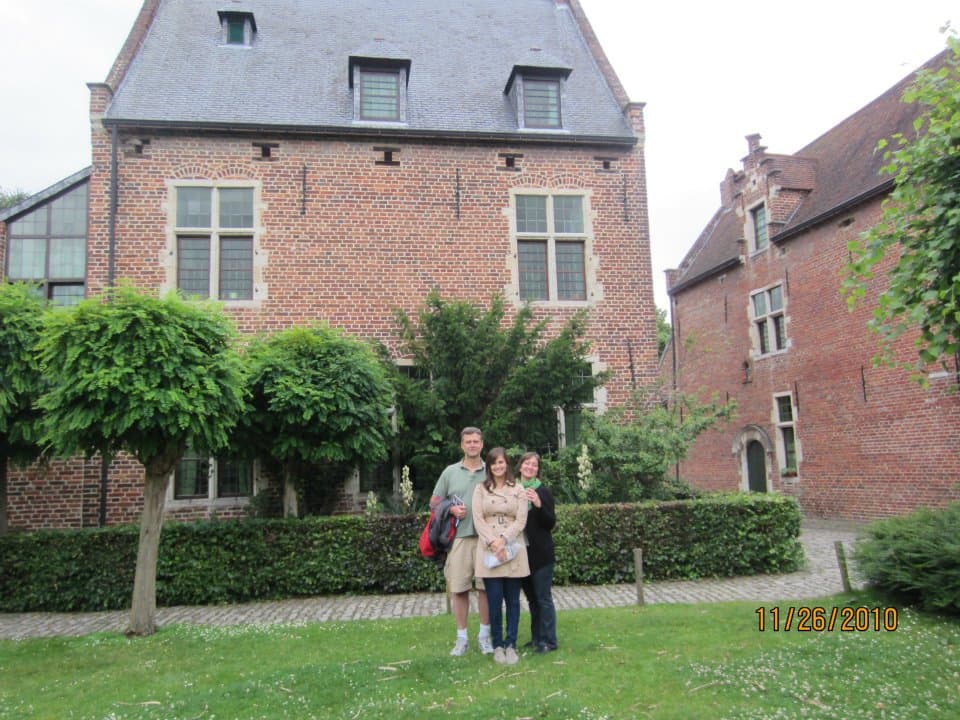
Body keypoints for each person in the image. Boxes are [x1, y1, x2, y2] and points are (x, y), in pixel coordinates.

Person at [430, 427, 493, 656]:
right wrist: (451, 508)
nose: (473, 445)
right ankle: (462, 638)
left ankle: (485, 637)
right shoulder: (450, 472)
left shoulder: (492, 470)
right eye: (468, 441)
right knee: (459, 588)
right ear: (462, 445)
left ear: (482, 444)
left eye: (476, 441)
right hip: (459, 539)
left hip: (487, 539)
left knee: (486, 589)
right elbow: (434, 503)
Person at [472, 447, 530, 665]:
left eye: (502, 462)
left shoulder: (518, 489)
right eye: (494, 463)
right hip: (489, 550)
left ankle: (511, 644)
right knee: (494, 601)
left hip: (512, 549)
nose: (498, 466)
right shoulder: (480, 489)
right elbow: (478, 518)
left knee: (513, 601)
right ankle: (497, 644)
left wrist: (504, 539)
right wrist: (493, 542)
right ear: (489, 466)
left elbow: (521, 519)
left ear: (507, 465)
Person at [518, 451, 558, 653]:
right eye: (527, 463)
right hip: (522, 554)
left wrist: (539, 505)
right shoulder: (513, 489)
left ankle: (549, 641)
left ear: (537, 470)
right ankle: (536, 638)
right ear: (520, 466)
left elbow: (550, 522)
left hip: (541, 554)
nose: (530, 467)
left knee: (543, 598)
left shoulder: (543, 491)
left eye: (534, 465)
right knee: (532, 599)